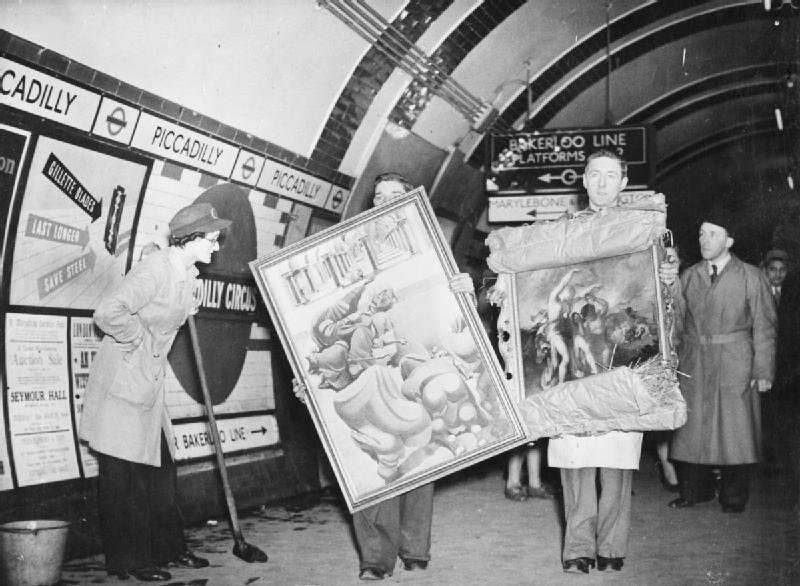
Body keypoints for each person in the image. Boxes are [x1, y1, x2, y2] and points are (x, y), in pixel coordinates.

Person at [294, 172, 474, 581]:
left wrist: (464, 292)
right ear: (371, 205)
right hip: (365, 369)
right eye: (379, 197)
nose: (387, 203)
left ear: (412, 201)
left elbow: (450, 315)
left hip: (410, 362)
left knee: (419, 452)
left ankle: (415, 547)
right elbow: (320, 316)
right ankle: (376, 557)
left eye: (397, 196)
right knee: (370, 460)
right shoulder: (342, 258)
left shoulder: (430, 251)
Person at [80, 202, 231, 582]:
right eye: (212, 240)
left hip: (148, 384)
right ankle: (128, 561)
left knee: (162, 470)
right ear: (191, 238)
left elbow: (171, 310)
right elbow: (108, 312)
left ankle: (169, 549)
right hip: (124, 380)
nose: (216, 247)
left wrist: (185, 304)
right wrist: (140, 342)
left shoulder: (187, 273)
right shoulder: (157, 270)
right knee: (123, 475)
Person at [548, 150, 660, 574]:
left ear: (623, 182)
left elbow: (657, 284)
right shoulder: (563, 232)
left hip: (621, 354)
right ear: (584, 181)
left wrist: (665, 276)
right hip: (577, 355)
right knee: (577, 457)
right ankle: (578, 547)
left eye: (610, 175)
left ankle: (612, 546)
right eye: (594, 174)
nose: (601, 183)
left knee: (615, 458)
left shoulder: (641, 229)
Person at [664, 211, 777, 513]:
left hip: (735, 360)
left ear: (729, 240)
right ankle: (694, 491)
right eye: (701, 234)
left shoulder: (752, 276)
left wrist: (763, 370)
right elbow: (676, 323)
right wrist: (670, 367)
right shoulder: (689, 277)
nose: (704, 240)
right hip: (695, 360)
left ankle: (734, 496)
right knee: (692, 429)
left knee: (736, 432)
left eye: (712, 234)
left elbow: (765, 327)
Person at [760, 249, 799, 476]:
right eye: (773, 270)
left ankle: (782, 465)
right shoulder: (757, 293)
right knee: (764, 415)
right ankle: (767, 464)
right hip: (763, 364)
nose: (777, 275)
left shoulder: (792, 297)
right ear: (765, 270)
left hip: (785, 368)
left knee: (784, 417)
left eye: (782, 270)